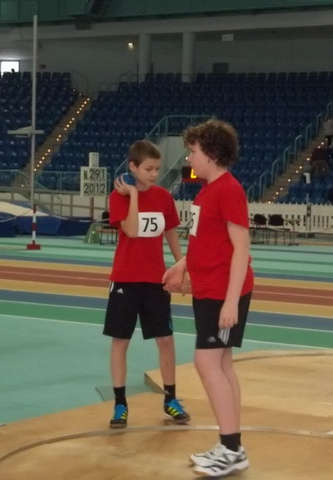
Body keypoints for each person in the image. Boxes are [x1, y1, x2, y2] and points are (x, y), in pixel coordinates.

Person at [163, 119, 252, 477]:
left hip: (222, 293)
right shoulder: (206, 191)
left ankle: (230, 448)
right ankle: (232, 445)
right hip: (208, 290)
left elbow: (241, 248)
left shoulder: (229, 190)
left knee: (207, 363)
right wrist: (183, 266)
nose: (189, 158)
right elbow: (206, 241)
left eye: (193, 151)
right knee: (222, 365)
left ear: (212, 154)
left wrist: (230, 301)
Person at [103, 140, 190, 429]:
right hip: (125, 280)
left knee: (165, 340)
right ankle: (120, 404)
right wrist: (133, 196)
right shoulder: (118, 196)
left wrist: (182, 267)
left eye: (157, 169)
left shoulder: (164, 197)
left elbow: (171, 233)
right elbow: (130, 230)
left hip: (156, 280)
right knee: (120, 342)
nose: (154, 174)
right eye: (149, 169)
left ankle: (171, 399)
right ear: (133, 167)